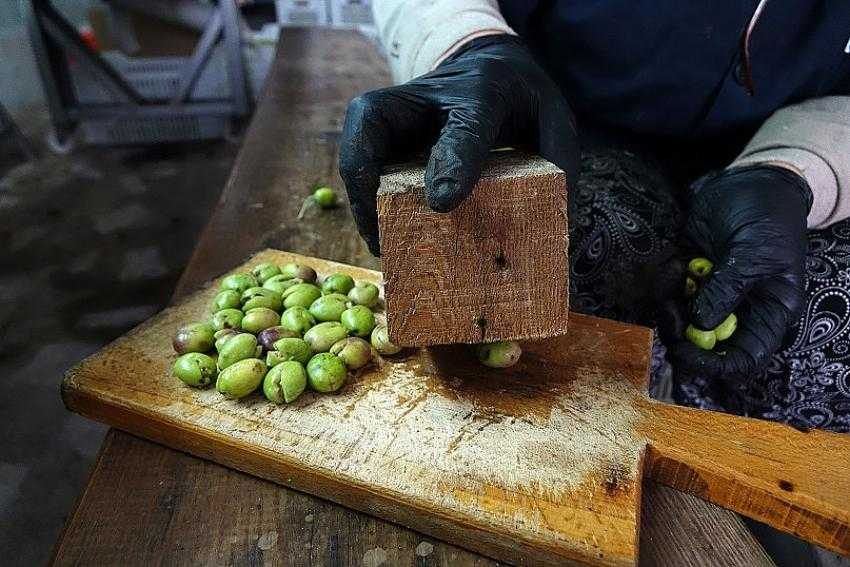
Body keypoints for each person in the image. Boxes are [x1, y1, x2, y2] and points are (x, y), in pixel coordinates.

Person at [338, 1, 850, 435]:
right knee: (537, 288)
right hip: (552, 127)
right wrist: (464, 45)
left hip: (798, 141)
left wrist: (797, 171)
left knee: (820, 338)